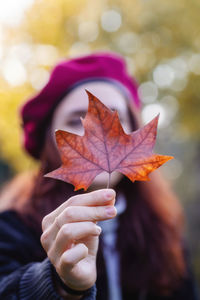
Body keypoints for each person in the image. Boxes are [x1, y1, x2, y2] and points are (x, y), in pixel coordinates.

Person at [0, 52, 198, 300]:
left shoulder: (163, 229)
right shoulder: (12, 229)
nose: (97, 132)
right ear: (48, 141)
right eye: (76, 119)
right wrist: (59, 285)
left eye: (115, 117)